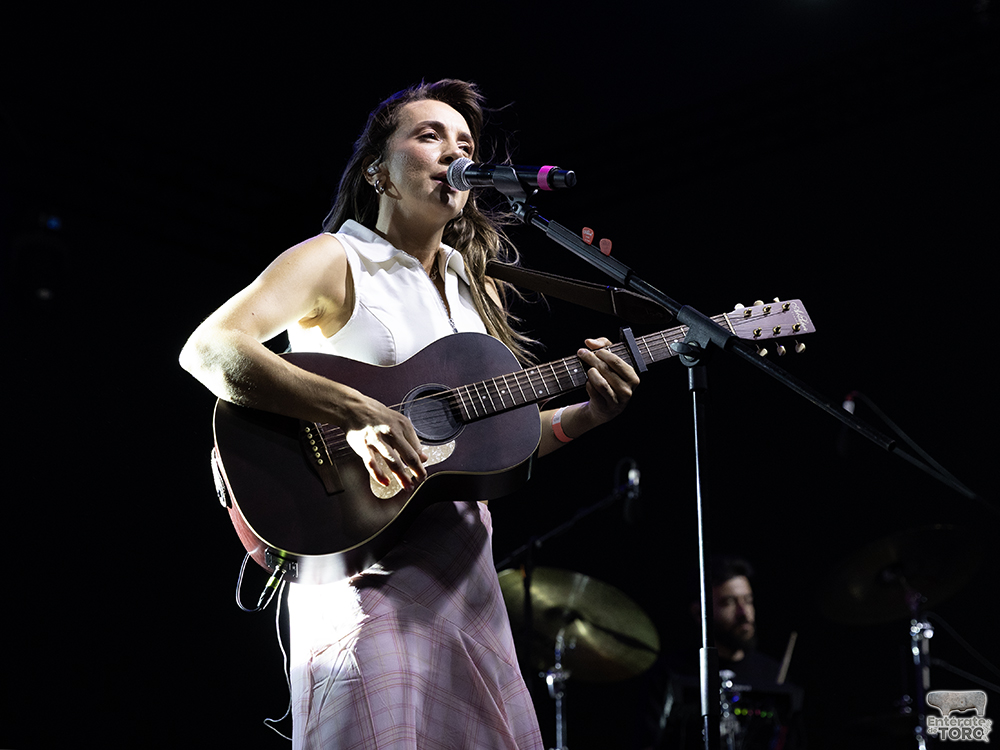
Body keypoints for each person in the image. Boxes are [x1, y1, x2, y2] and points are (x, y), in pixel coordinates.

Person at [179, 79, 639, 749]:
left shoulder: (474, 285)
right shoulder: (337, 258)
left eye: (466, 145)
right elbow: (210, 348)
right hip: (363, 566)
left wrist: (586, 417)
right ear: (378, 170)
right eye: (429, 136)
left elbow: (489, 445)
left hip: (464, 579)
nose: (453, 153)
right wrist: (356, 410)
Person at [636, 557, 804, 749]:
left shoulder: (774, 675)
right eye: (729, 603)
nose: (744, 613)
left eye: (748, 601)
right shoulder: (670, 674)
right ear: (700, 613)